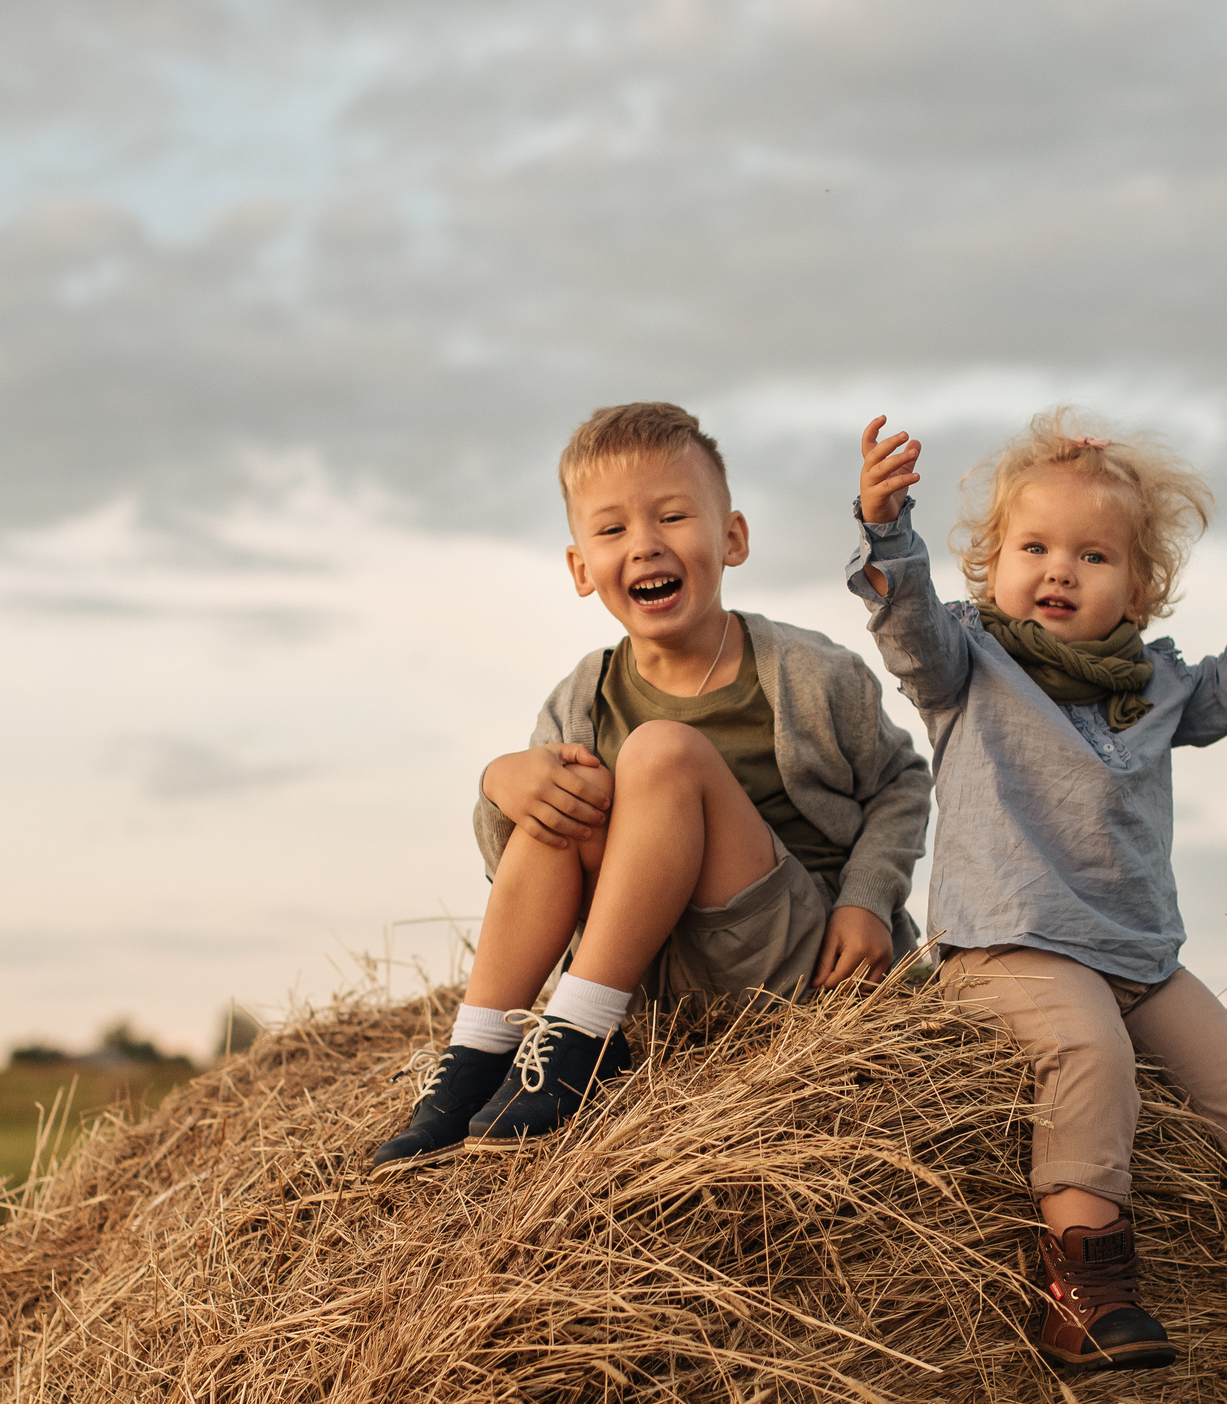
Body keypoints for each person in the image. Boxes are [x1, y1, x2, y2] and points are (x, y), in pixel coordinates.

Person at [848, 407, 1227, 1367]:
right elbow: (905, 624)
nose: (1058, 569)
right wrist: (888, 529)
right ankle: (1085, 1289)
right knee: (1090, 1055)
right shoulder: (966, 662)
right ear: (992, 563)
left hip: (1137, 952)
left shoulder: (1154, 684)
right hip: (1011, 948)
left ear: (1138, 589)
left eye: (1093, 557)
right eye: (1034, 547)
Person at [370, 402, 931, 1169]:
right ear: (579, 568)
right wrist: (499, 780)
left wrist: (868, 897)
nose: (645, 545)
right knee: (558, 792)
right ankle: (476, 1056)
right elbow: (521, 863)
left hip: (788, 966)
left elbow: (902, 779)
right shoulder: (581, 697)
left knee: (660, 754)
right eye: (612, 530)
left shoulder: (811, 673)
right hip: (654, 984)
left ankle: (574, 1040)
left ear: (731, 537)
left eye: (673, 515)